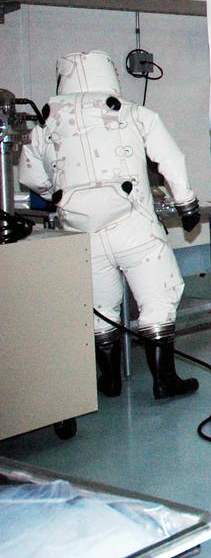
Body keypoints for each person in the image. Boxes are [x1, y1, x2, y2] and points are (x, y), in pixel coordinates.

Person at [19, 51, 201, 399]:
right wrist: (186, 204)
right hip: (133, 226)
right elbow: (171, 158)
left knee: (101, 307)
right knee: (158, 298)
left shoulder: (45, 126)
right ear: (109, 74)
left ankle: (110, 380)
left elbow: (32, 176)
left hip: (80, 232)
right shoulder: (134, 113)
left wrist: (61, 195)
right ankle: (164, 380)